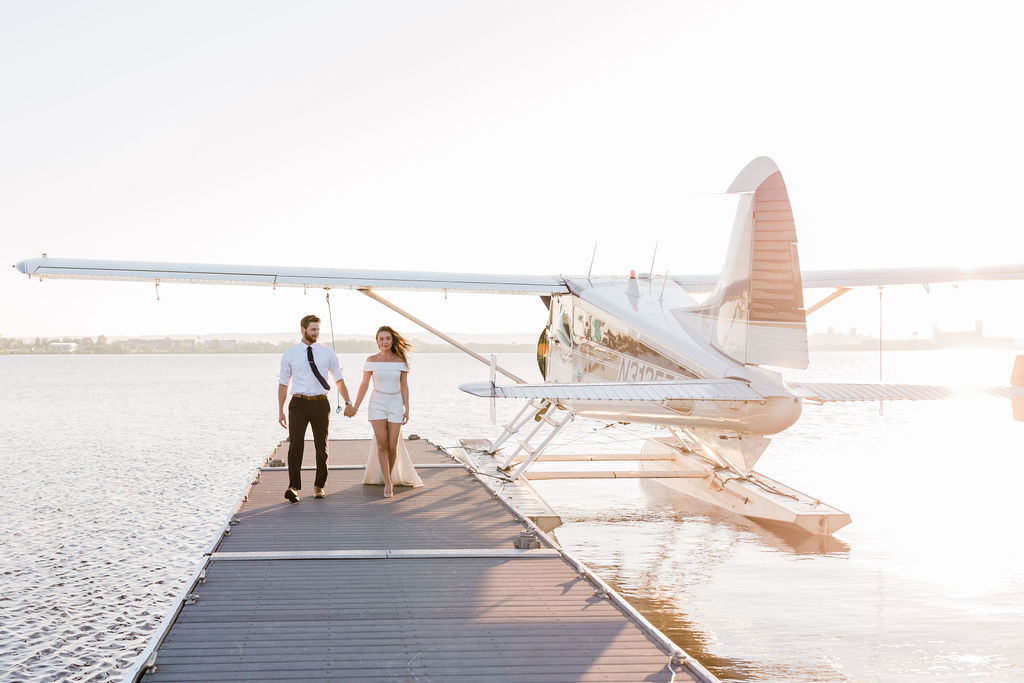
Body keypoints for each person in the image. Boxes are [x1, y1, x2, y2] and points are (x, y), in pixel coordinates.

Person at [278, 314, 355, 503]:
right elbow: (283, 384)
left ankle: (319, 486)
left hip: (320, 403)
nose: (316, 333)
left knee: (322, 446)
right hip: (298, 403)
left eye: (318, 329)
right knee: (295, 445)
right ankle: (293, 487)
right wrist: (280, 410)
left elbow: (338, 379)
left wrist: (348, 402)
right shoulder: (290, 353)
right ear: (303, 329)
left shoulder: (327, 353)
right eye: (313, 329)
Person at [351, 325, 423, 497]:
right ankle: (388, 483)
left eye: (388, 338)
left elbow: (404, 386)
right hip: (377, 402)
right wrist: (355, 406)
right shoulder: (371, 360)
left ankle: (388, 476)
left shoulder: (400, 361)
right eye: (381, 339)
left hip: (396, 402)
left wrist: (407, 408)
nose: (385, 341)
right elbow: (364, 385)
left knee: (393, 446)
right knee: (382, 444)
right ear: (377, 341)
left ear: (392, 340)